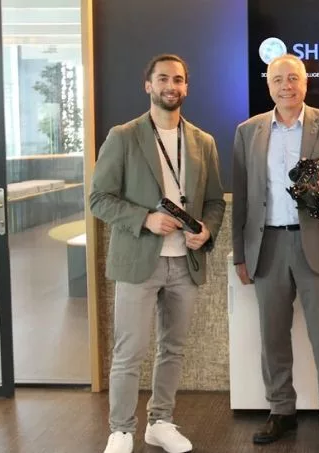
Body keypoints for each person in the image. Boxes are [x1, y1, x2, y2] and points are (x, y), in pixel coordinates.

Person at [91, 54, 226, 453]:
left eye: (178, 80)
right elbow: (99, 198)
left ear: (186, 87)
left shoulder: (203, 141)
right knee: (128, 352)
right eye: (163, 79)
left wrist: (207, 230)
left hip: (185, 262)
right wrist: (145, 219)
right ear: (148, 85)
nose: (171, 86)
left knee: (173, 349)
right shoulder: (123, 136)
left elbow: (214, 202)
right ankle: (120, 430)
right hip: (138, 261)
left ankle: (160, 422)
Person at [232, 54, 319, 448]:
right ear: (268, 85)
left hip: (317, 243)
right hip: (267, 245)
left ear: (305, 83)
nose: (286, 86)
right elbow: (242, 198)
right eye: (278, 79)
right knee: (272, 335)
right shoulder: (248, 131)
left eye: (293, 78)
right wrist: (240, 254)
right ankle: (281, 411)